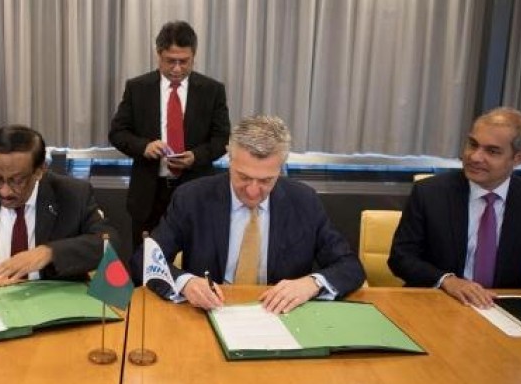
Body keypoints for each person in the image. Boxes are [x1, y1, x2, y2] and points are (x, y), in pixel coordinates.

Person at [134, 115, 365, 314]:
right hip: (209, 314)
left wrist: (311, 283)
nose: (254, 190)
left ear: (281, 167)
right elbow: (144, 260)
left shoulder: (304, 201)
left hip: (281, 317)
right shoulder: (193, 198)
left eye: (266, 180)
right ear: (229, 160)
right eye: (243, 177)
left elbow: (349, 266)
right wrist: (186, 283)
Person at [388, 107, 521, 331]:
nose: (474, 157)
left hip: (502, 312)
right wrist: (447, 280)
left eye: (492, 151)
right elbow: (401, 257)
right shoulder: (430, 193)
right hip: (438, 305)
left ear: (519, 158)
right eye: (472, 144)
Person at [0, 125, 117, 288]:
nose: (4, 191)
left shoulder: (73, 194)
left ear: (39, 171)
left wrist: (49, 252)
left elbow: (109, 243)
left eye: (17, 181)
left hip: (48, 302)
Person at [109, 20, 230, 248]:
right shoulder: (138, 88)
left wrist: (196, 156)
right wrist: (143, 147)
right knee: (146, 259)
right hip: (149, 195)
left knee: (194, 258)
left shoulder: (212, 90)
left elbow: (222, 138)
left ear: (194, 55)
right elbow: (117, 133)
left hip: (196, 191)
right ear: (158, 54)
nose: (177, 68)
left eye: (184, 62)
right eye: (170, 61)